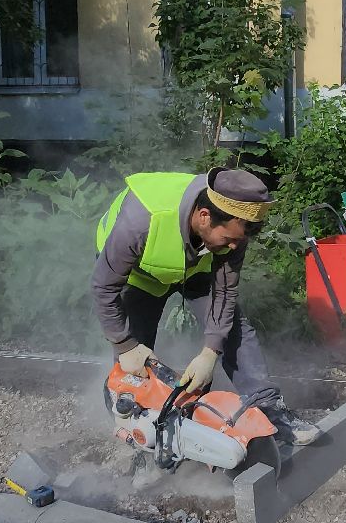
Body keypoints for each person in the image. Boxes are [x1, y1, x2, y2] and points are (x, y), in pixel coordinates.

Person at [92, 166, 324, 445]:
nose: (236, 248)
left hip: (193, 267)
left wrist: (210, 353)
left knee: (234, 329)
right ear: (204, 217)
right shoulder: (140, 222)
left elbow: (225, 292)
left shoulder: (233, 224)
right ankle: (136, 429)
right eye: (229, 240)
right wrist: (123, 345)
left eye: (240, 241)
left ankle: (270, 411)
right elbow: (104, 287)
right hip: (138, 274)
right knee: (134, 359)